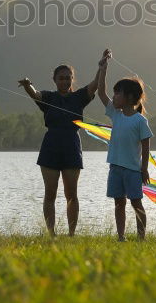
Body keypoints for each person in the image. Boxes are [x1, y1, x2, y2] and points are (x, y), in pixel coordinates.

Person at [17, 49, 111, 236]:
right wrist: (28, 85)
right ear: (54, 80)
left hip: (71, 147)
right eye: (61, 78)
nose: (65, 81)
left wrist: (102, 67)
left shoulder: (79, 97)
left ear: (72, 80)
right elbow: (35, 95)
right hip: (50, 147)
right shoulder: (49, 97)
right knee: (50, 194)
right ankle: (51, 234)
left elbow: (94, 86)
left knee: (71, 195)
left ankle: (71, 234)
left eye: (68, 78)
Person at [96, 50, 152, 241]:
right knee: (118, 204)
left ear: (128, 97)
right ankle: (121, 237)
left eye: (117, 93)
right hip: (115, 168)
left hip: (133, 171)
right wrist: (103, 68)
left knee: (136, 203)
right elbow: (100, 92)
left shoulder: (139, 121)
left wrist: (144, 169)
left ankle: (141, 237)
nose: (113, 96)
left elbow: (146, 147)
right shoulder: (115, 114)